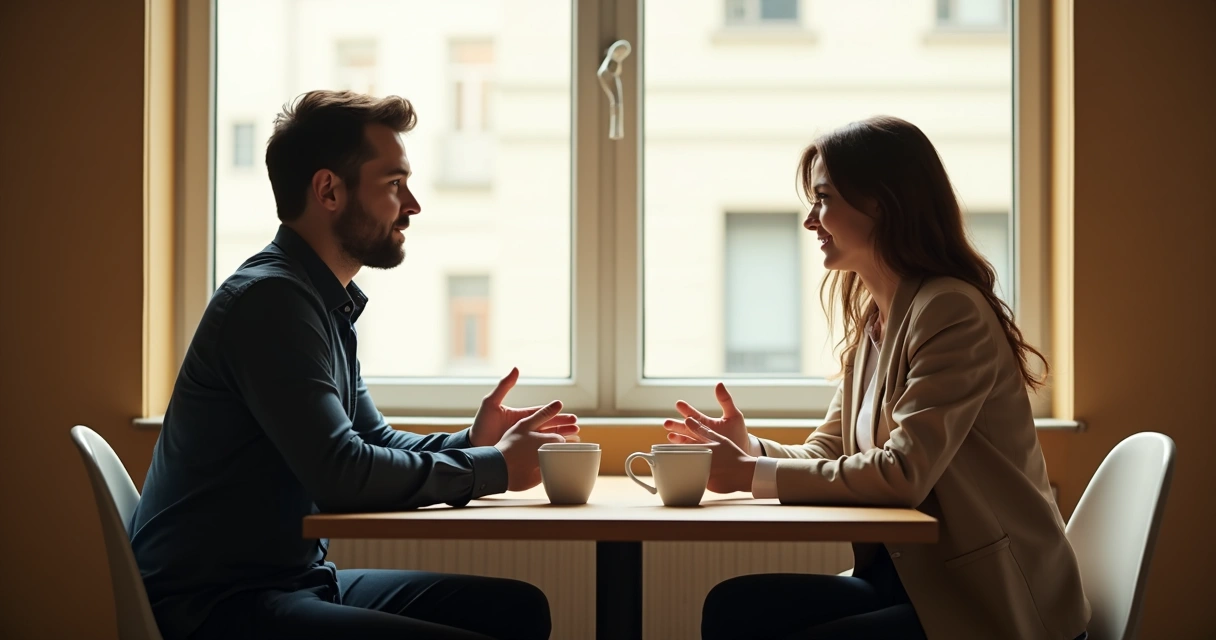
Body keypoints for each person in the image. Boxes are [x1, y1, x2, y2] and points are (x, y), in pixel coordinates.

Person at [130, 90, 578, 640]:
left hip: (291, 583)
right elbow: (342, 475)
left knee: (517, 610)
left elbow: (370, 439)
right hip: (218, 606)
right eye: (394, 184)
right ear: (329, 191)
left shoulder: (319, 302)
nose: (412, 205)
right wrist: (495, 468)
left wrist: (473, 441)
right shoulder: (271, 303)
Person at [663, 116, 1090, 640]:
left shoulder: (950, 311)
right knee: (733, 608)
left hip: (991, 606)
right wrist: (748, 449)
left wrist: (750, 474)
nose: (810, 221)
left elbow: (903, 472)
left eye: (823, 199)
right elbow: (826, 452)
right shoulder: (877, 321)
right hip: (911, 583)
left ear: (882, 204)